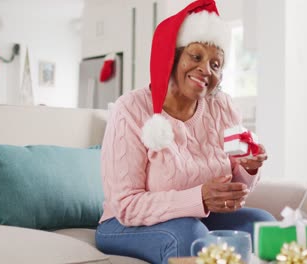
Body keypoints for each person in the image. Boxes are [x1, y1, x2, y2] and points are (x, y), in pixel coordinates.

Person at [95, 0, 274, 263]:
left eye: (216, 64)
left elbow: (234, 187)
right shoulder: (131, 109)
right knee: (189, 235)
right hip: (124, 224)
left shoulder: (221, 106)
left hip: (199, 218)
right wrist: (198, 197)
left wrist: (248, 168)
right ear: (174, 55)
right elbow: (126, 205)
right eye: (196, 56)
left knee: (263, 226)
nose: (206, 69)